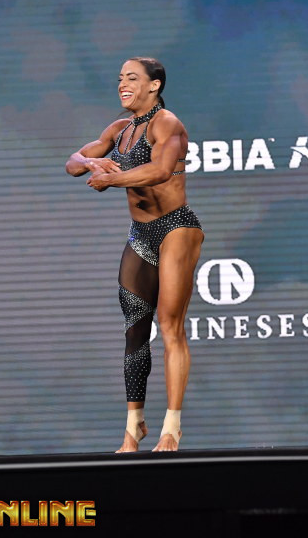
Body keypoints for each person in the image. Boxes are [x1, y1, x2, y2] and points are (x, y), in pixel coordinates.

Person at [66, 57, 203, 452]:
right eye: (120, 79)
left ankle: (171, 429)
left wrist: (111, 178)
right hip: (140, 233)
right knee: (135, 330)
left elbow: (160, 171)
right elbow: (72, 163)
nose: (122, 85)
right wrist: (91, 161)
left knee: (170, 326)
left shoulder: (167, 124)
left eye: (131, 78)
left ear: (154, 85)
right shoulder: (120, 129)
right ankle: (134, 427)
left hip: (176, 227)